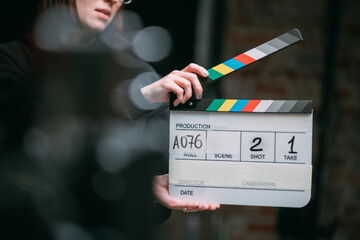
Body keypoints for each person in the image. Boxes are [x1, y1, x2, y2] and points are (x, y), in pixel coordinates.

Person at [0, 0, 220, 238]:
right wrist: (140, 97)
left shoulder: (133, 74)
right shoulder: (10, 62)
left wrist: (148, 188)